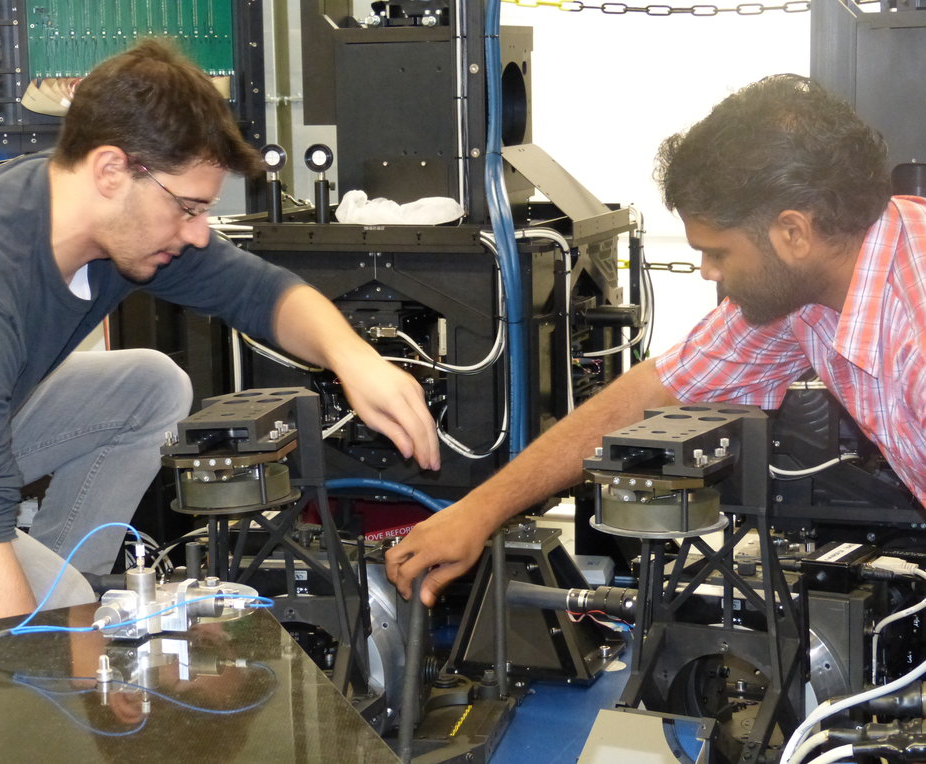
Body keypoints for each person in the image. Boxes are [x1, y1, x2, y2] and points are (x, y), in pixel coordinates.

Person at [0, 39, 440, 630]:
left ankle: (71, 597)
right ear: (111, 170)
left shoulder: (90, 215)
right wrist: (40, 677)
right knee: (38, 611)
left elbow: (259, 292)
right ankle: (54, 626)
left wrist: (356, 359)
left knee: (149, 385)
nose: (198, 233)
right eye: (188, 208)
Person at [387, 73, 922, 606]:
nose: (708, 272)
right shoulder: (808, 294)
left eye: (718, 252)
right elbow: (658, 389)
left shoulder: (913, 327)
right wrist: (478, 512)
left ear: (793, 233)